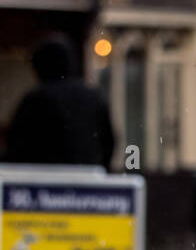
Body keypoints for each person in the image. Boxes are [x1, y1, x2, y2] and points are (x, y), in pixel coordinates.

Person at [5, 34, 115, 167]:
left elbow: (17, 146)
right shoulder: (93, 97)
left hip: (45, 180)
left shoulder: (36, 99)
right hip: (88, 178)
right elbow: (109, 143)